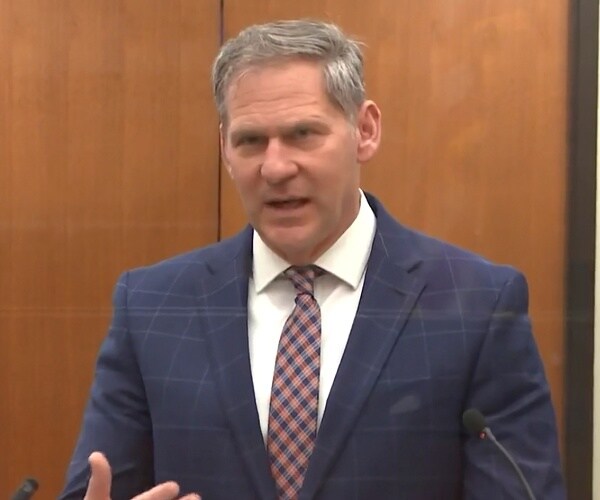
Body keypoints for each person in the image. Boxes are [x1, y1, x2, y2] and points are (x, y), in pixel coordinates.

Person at [60, 19, 566, 500]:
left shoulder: (476, 305)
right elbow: (97, 487)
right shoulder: (152, 306)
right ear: (225, 148)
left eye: (303, 134)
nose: (275, 168)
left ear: (365, 130)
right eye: (250, 141)